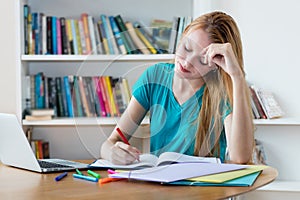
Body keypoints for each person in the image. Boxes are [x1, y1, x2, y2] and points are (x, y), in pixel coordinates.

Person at [101, 11, 254, 165]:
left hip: (204, 187)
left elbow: (240, 157)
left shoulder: (221, 92)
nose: (187, 63)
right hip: (160, 183)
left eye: (202, 59)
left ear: (217, 64)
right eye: (187, 48)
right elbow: (111, 142)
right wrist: (112, 153)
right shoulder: (155, 76)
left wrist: (237, 76)